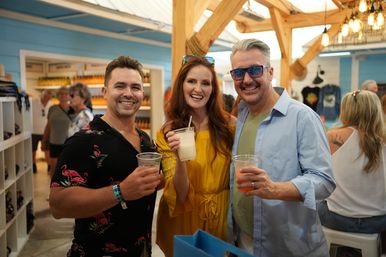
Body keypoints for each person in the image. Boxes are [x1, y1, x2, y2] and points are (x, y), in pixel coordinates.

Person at [227, 38, 335, 257]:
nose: (246, 80)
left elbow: (324, 181)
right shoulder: (243, 114)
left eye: (255, 70)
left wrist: (275, 189)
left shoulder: (302, 117)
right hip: (244, 240)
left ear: (270, 72)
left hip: (288, 246)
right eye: (238, 73)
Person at [49, 56, 162, 257]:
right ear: (105, 92)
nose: (128, 93)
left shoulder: (145, 141)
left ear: (142, 93)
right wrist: (121, 191)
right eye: (120, 86)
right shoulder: (84, 140)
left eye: (135, 87)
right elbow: (58, 205)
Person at [156, 56, 236, 257]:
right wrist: (179, 158)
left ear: (213, 89)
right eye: (191, 81)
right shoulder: (169, 132)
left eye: (205, 83)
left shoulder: (230, 127)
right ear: (181, 85)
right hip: (183, 217)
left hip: (219, 216)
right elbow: (180, 195)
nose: (198, 89)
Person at [318, 90, 386, 252]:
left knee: (316, 201)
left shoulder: (333, 136)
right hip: (378, 222)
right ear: (375, 110)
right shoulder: (382, 139)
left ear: (346, 111)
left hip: (337, 219)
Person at [42, 86, 71, 176]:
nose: (63, 96)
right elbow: (48, 125)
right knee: (54, 170)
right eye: (61, 94)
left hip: (69, 144)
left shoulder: (73, 109)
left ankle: (67, 189)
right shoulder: (52, 109)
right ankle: (54, 189)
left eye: (66, 94)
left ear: (69, 96)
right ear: (57, 96)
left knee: (68, 170)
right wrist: (44, 140)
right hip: (54, 143)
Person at [31, 89, 52, 173]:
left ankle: (49, 166)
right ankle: (33, 166)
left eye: (49, 96)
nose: (47, 98)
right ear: (42, 95)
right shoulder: (33, 102)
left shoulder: (51, 105)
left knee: (47, 150)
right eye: (45, 96)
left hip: (46, 132)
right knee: (33, 150)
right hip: (33, 131)